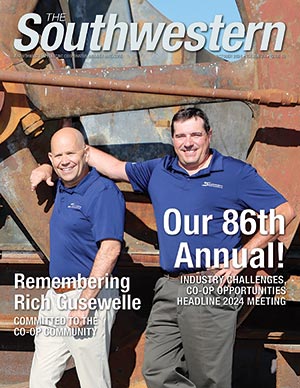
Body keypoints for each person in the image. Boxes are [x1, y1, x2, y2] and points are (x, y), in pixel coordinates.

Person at [31, 108, 295, 388]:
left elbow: (284, 210)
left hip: (210, 285)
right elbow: (113, 167)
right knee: (157, 369)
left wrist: (245, 254)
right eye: (180, 136)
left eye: (195, 134)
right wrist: (49, 166)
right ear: (172, 139)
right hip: (169, 286)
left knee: (209, 378)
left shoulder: (233, 173)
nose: (188, 142)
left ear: (209, 136)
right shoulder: (159, 170)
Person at [29, 127, 125, 388]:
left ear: (86, 153)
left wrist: (84, 303)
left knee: (93, 381)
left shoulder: (102, 192)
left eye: (71, 153)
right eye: (58, 156)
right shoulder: (64, 184)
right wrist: (44, 169)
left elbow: (110, 249)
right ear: (51, 157)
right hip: (56, 297)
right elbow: (57, 170)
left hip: (87, 295)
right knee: (40, 381)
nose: (65, 160)